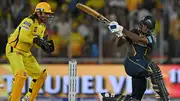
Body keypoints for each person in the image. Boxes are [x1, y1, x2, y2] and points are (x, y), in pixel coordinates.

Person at [98, 15, 170, 101]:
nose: (144, 27)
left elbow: (139, 39)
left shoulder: (151, 38)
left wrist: (122, 29)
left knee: (135, 99)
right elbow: (118, 44)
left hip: (141, 67)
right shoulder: (133, 32)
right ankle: (164, 98)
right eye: (143, 24)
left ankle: (107, 97)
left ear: (150, 29)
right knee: (153, 67)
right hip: (132, 63)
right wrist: (119, 35)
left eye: (146, 26)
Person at [5, 2, 54, 101]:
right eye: (46, 13)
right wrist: (36, 40)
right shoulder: (29, 20)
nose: (48, 16)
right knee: (21, 75)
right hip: (14, 49)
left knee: (41, 76)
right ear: (39, 13)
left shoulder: (42, 26)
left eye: (49, 14)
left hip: (26, 53)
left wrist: (43, 44)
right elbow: (23, 37)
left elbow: (35, 43)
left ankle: (28, 98)